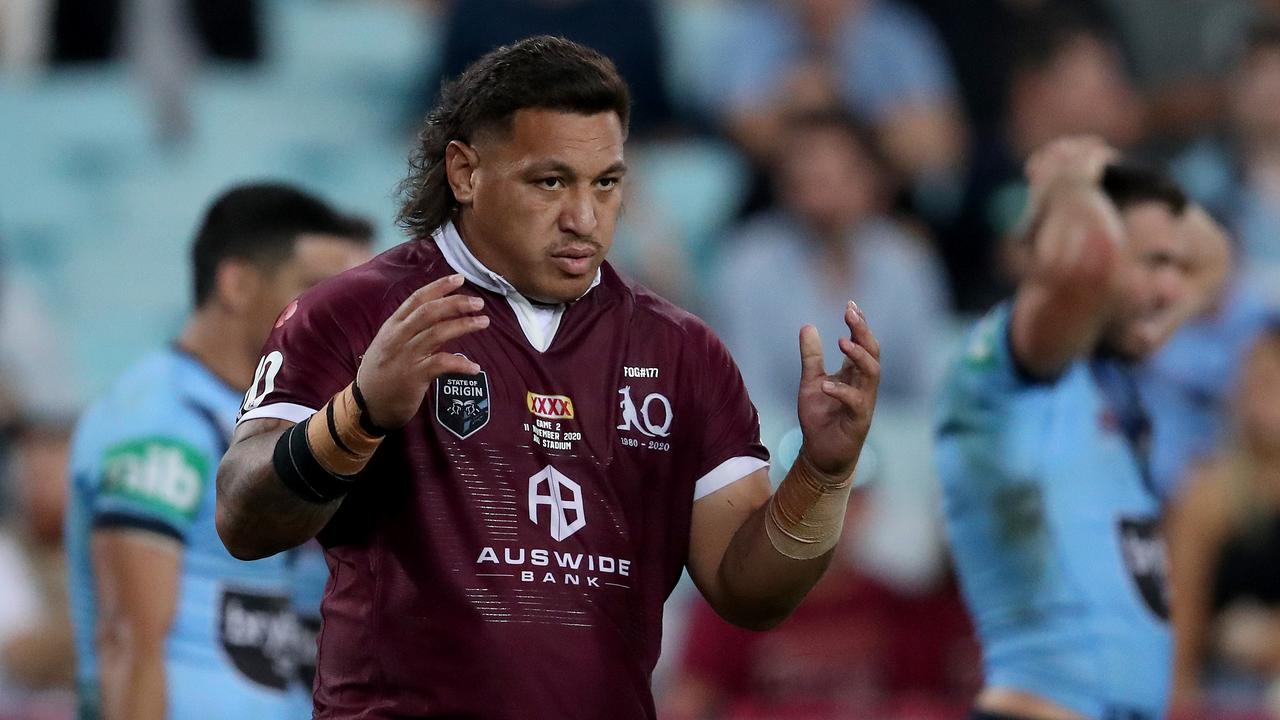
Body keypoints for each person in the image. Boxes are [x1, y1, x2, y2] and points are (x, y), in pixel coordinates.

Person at [215, 36, 881, 720]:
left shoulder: (683, 352)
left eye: (607, 183)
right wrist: (358, 417)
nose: (584, 219)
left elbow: (750, 594)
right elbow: (243, 517)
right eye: (551, 181)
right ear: (466, 172)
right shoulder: (354, 313)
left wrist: (823, 476)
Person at [935, 136, 1231, 720]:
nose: (1169, 290)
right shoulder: (1002, 369)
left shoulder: (1108, 375)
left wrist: (1121, 177)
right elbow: (1085, 268)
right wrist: (1072, 181)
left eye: (1170, 265)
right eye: (1148, 264)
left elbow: (1215, 258)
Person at [65, 183, 374, 720]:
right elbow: (127, 641)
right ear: (237, 284)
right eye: (314, 291)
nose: (335, 315)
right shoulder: (156, 420)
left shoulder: (283, 421)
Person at [1167, 321, 1280, 712]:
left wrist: (1263, 638)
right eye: (1258, 380)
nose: (1265, 395)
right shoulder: (1207, 494)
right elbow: (1182, 629)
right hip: (1228, 696)